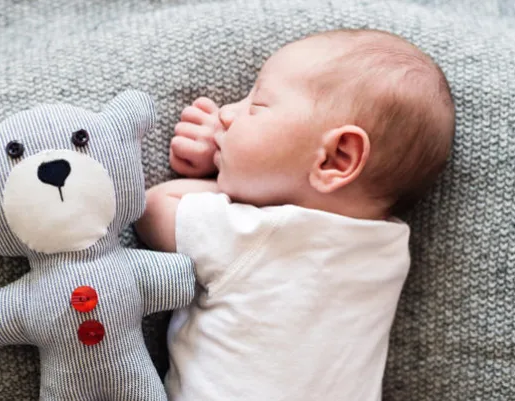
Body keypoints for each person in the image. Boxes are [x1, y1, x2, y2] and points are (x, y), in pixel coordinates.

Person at [134, 28, 456, 400]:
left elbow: (153, 207)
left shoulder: (256, 233)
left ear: (337, 158)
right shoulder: (389, 248)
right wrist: (236, 157)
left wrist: (216, 170)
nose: (225, 113)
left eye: (257, 105)